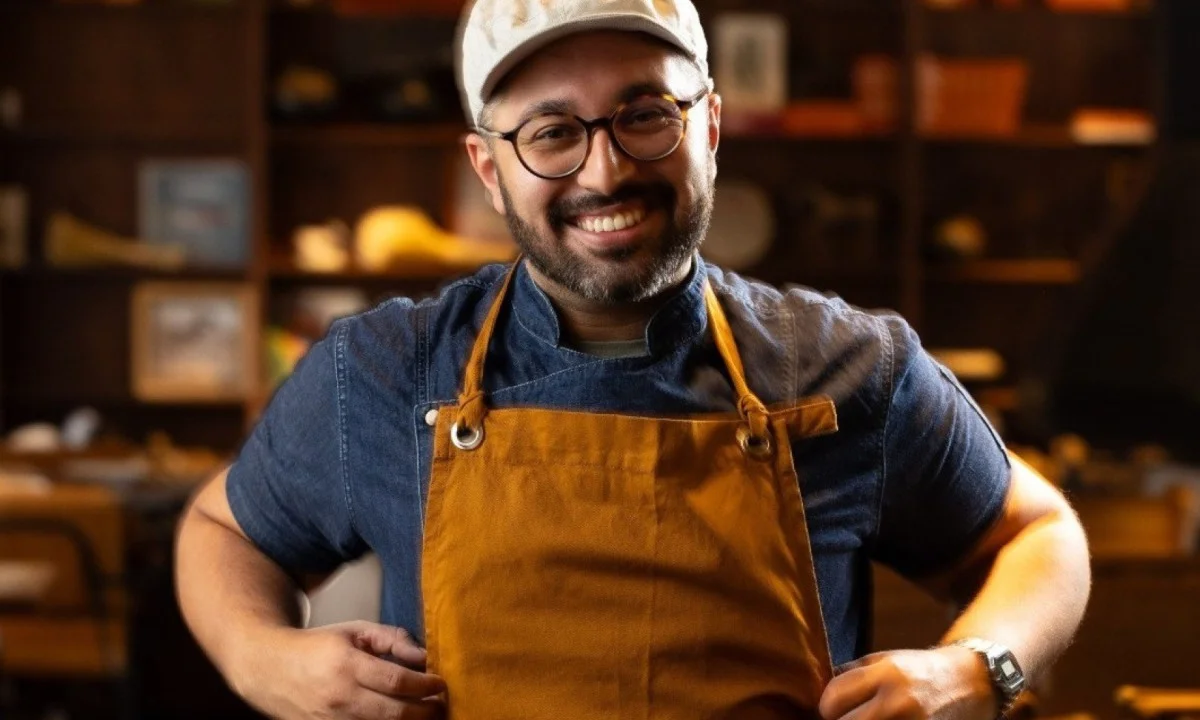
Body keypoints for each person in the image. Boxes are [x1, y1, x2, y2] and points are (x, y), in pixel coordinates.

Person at [174, 1, 1091, 718]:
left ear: (710, 129)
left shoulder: (848, 365)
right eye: (552, 132)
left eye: (644, 115)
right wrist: (263, 661)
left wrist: (980, 670)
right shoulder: (383, 369)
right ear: (490, 167)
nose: (604, 172)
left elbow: (1041, 535)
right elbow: (222, 533)